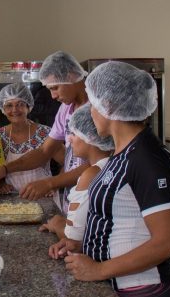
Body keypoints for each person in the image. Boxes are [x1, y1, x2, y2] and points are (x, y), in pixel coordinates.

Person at [63, 61, 170, 296]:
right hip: (119, 283)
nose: (91, 111)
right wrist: (81, 246)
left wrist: (99, 269)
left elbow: (166, 242)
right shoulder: (121, 153)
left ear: (107, 105)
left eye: (93, 104)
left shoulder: (147, 158)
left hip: (146, 288)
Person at [0, 51, 90, 212]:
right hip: (72, 196)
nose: (53, 96)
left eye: (55, 88)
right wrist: (4, 170)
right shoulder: (65, 109)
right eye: (49, 89)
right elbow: (44, 151)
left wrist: (51, 183)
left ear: (71, 75)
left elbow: (97, 164)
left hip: (91, 193)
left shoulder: (96, 108)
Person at [39, 103, 113, 248]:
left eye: (74, 134)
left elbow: (73, 238)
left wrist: (57, 224)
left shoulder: (91, 175)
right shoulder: (113, 163)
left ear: (89, 137)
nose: (69, 140)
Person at [0, 83, 56, 193]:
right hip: (12, 199)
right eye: (9, 105)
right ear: (3, 109)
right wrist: (1, 184)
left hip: (43, 196)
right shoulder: (0, 135)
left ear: (29, 107)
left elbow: (67, 163)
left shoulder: (45, 133)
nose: (15, 110)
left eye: (20, 104)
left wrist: (52, 185)